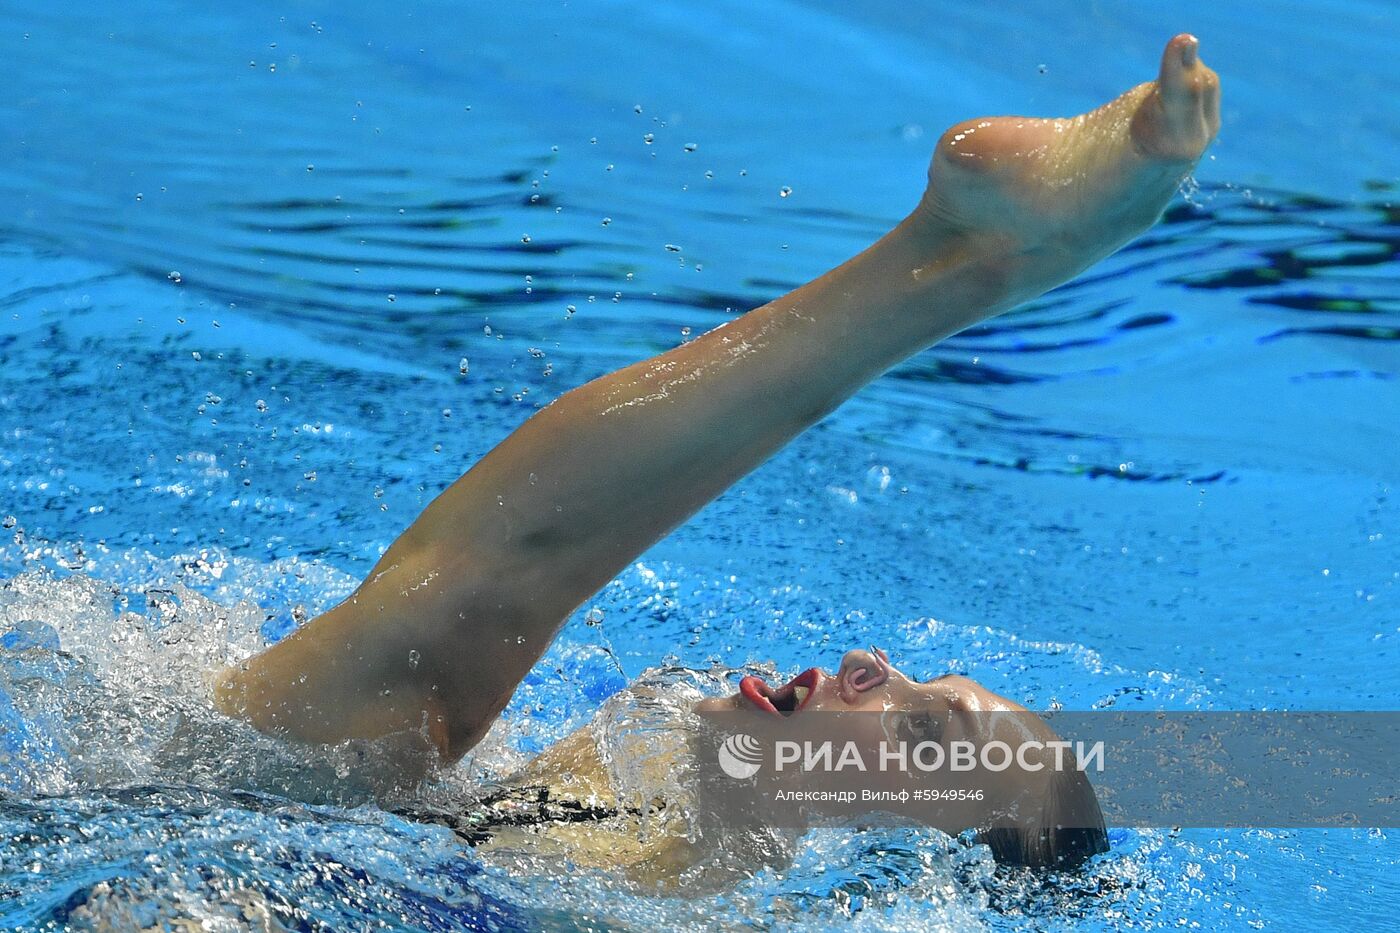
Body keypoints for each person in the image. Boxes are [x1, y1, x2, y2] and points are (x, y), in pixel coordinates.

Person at [213, 35, 1221, 872]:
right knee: (443, 632)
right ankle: (958, 262)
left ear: (915, 873)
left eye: (921, 734)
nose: (870, 665)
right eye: (922, 685)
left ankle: (959, 265)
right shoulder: (614, 849)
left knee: (445, 625)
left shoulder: (665, 883)